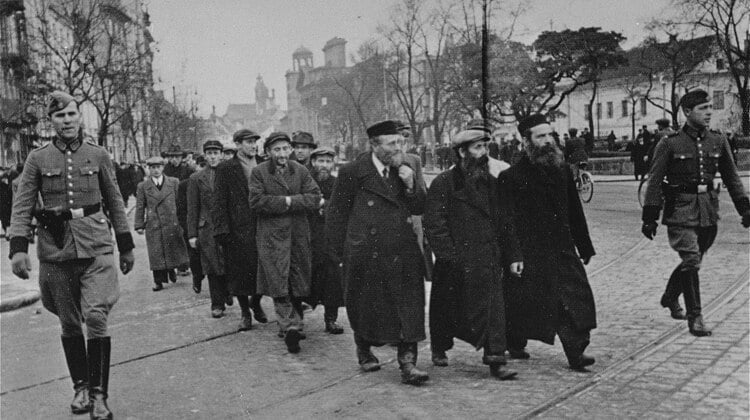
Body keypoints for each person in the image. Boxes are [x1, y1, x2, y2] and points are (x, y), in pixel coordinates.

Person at [8, 91, 134, 419]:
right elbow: (22, 203)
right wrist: (18, 248)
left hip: (95, 244)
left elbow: (115, 199)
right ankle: (80, 386)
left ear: (80, 117)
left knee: (95, 316)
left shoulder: (99, 155)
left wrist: (125, 243)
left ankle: (99, 394)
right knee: (69, 322)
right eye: (60, 116)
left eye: (72, 114)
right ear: (51, 121)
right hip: (55, 248)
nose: (67, 121)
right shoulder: (37, 158)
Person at [326, 120, 429, 385]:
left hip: (402, 248)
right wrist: (339, 254)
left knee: (410, 305)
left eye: (401, 142)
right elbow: (337, 214)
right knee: (365, 305)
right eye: (393, 143)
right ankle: (364, 348)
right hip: (365, 251)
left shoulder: (409, 165)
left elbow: (420, 206)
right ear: (374, 145)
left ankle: (408, 362)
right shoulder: (352, 171)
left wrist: (410, 184)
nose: (399, 148)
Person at [641, 89, 750, 336]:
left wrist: (744, 208)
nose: (709, 112)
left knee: (695, 260)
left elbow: (732, 178)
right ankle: (696, 317)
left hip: (708, 210)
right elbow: (655, 181)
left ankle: (670, 297)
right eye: (703, 108)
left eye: (710, 107)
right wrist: (650, 216)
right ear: (687, 112)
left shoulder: (718, 140)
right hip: (679, 209)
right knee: (691, 259)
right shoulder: (669, 142)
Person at [498, 114, 597, 372]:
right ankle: (514, 341)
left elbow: (575, 211)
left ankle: (577, 350)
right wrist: (513, 255)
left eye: (550, 135)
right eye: (540, 136)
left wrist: (584, 246)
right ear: (525, 141)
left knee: (575, 298)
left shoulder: (562, 170)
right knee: (523, 302)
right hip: (529, 253)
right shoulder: (511, 177)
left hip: (562, 249)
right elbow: (506, 222)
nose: (548, 141)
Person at [424, 129, 522, 380]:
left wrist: (513, 255)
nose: (483, 154)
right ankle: (440, 347)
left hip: (488, 258)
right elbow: (435, 223)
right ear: (461, 152)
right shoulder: (444, 183)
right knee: (446, 308)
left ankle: (496, 358)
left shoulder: (492, 183)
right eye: (477, 148)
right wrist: (448, 256)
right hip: (455, 260)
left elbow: (506, 222)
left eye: (485, 148)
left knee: (493, 309)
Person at [249, 132, 321, 353]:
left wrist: (286, 201)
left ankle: (292, 324)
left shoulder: (300, 170)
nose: (282, 154)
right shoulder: (259, 172)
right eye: (276, 150)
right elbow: (257, 201)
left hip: (298, 234)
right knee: (278, 278)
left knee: (297, 278)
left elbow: (315, 197)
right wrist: (291, 201)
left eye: (285, 149)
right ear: (268, 152)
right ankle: (290, 326)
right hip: (271, 236)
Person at [212, 129, 268, 330]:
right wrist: (222, 230)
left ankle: (256, 301)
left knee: (264, 268)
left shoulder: (263, 164)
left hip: (263, 226)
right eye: (248, 142)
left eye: (254, 142)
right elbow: (218, 201)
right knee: (240, 273)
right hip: (237, 229)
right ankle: (245, 312)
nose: (253, 145)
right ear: (237, 144)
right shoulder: (226, 168)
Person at [187, 141, 233, 319]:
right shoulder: (196, 178)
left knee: (228, 262)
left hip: (228, 226)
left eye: (216, 153)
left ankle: (228, 292)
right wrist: (192, 234)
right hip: (207, 229)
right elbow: (193, 208)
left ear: (221, 154)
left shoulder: (230, 174)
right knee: (212, 266)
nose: (213, 156)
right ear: (205, 156)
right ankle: (217, 304)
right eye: (209, 153)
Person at [305, 146, 345, 334]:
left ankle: (331, 319)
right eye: (321, 161)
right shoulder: (305, 181)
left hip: (330, 238)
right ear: (313, 162)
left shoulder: (338, 184)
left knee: (332, 279)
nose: (324, 165)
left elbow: (343, 208)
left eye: (328, 162)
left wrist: (324, 205)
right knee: (306, 276)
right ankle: (296, 319)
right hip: (308, 237)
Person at [134, 156, 189, 291]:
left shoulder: (174, 182)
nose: (156, 170)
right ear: (148, 169)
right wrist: (139, 224)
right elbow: (140, 206)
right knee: (156, 253)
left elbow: (181, 202)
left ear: (163, 168)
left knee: (172, 249)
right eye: (153, 168)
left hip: (172, 222)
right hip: (154, 224)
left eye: (158, 167)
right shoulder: (143, 186)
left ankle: (172, 269)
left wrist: (183, 221)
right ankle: (158, 281)